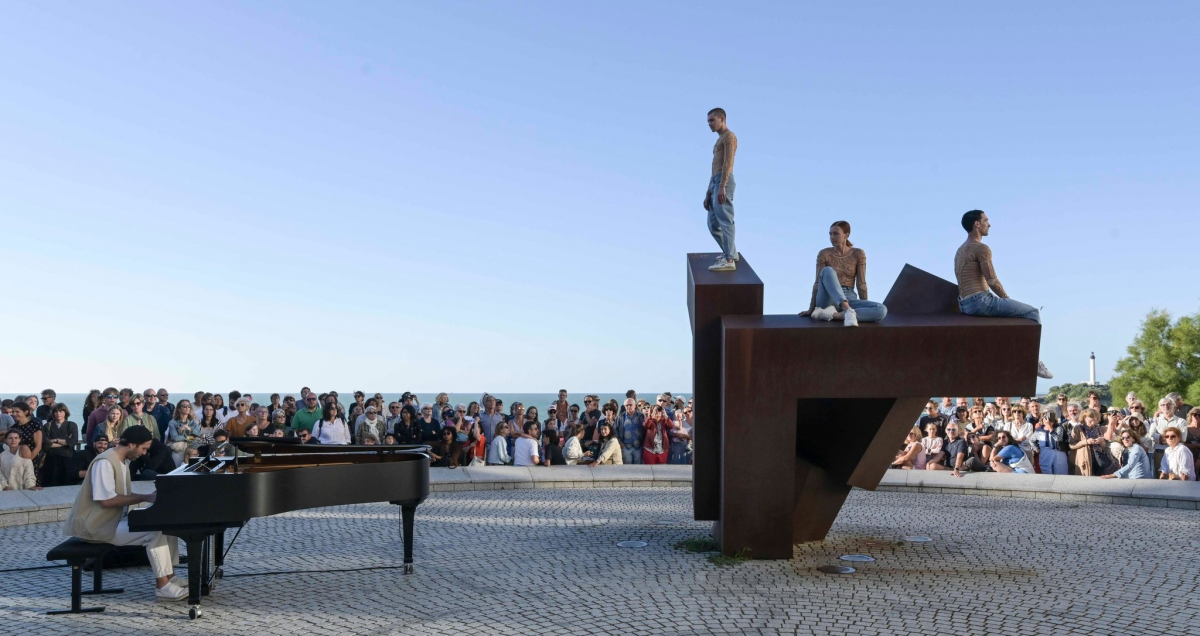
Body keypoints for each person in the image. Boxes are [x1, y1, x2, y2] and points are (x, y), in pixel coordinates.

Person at [63, 426, 188, 601]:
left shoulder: (122, 461)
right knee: (152, 533)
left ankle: (170, 577)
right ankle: (163, 587)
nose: (144, 453)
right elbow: (105, 501)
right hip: (95, 526)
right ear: (131, 444)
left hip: (111, 521)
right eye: (143, 448)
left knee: (163, 524)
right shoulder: (104, 462)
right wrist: (145, 497)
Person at [954, 210, 1053, 379]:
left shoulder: (960, 250)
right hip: (981, 301)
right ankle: (1033, 361)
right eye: (986, 220)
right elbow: (992, 281)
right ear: (977, 224)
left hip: (964, 304)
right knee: (1032, 312)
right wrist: (1007, 299)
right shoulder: (982, 248)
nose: (989, 224)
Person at [797, 221, 888, 326]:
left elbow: (861, 283)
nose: (832, 237)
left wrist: (864, 306)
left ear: (846, 235)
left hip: (849, 297)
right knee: (828, 270)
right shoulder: (824, 254)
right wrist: (811, 309)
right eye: (830, 234)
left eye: (835, 233)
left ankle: (835, 315)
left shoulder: (858, 253)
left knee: (881, 309)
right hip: (827, 298)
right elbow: (817, 283)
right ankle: (848, 311)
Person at [704, 107, 739, 271]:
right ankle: (729, 251)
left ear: (722, 119)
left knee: (725, 220)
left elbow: (727, 163)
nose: (709, 124)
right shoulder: (718, 140)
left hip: (723, 182)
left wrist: (722, 186)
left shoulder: (729, 137)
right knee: (712, 224)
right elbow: (714, 168)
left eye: (712, 120)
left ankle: (730, 258)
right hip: (715, 183)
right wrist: (708, 192)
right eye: (708, 121)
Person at [7, 402, 45, 485]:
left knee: (31, 482)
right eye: (13, 412)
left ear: (25, 412)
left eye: (17, 412)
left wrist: (28, 461)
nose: (14, 414)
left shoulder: (35, 425)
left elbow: (38, 446)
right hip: (17, 459)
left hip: (32, 458)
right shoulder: (14, 427)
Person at [42, 403, 79, 487]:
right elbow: (46, 444)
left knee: (67, 483)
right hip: (52, 459)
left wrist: (56, 440)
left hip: (68, 458)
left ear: (65, 412)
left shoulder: (71, 425)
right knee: (51, 483)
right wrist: (66, 442)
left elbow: (73, 442)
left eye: (61, 411)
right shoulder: (48, 426)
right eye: (56, 411)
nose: (58, 413)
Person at [166, 400, 200, 465]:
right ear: (179, 409)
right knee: (178, 470)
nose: (187, 408)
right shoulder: (172, 422)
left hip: (191, 450)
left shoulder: (193, 421)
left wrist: (188, 428)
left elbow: (197, 433)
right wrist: (190, 437)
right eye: (184, 406)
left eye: (189, 406)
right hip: (179, 450)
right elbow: (175, 438)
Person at [615, 398, 645, 465]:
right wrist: (620, 443)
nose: (628, 407)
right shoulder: (620, 417)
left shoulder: (641, 416)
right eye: (626, 405)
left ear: (635, 405)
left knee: (638, 467)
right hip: (626, 447)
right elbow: (615, 431)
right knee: (627, 468)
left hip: (638, 447)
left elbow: (645, 430)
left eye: (630, 405)